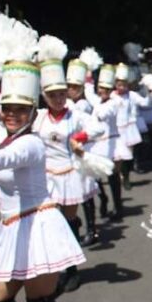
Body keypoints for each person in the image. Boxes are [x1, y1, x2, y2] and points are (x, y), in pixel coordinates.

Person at [0, 61, 84, 302]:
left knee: (39, 300)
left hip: (38, 225)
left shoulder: (30, 142)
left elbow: (2, 161)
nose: (12, 113)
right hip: (13, 228)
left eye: (20, 108)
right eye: (7, 108)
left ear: (31, 111)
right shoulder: (3, 137)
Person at [34, 57, 104, 292]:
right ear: (45, 95)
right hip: (46, 176)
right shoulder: (40, 117)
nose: (58, 98)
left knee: (67, 223)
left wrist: (79, 138)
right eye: (53, 94)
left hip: (69, 175)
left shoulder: (74, 114)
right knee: (51, 225)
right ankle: (57, 271)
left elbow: (97, 127)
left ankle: (72, 270)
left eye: (62, 93)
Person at [66, 58, 102, 245]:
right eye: (69, 86)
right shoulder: (68, 105)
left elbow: (89, 129)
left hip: (81, 152)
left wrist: (77, 139)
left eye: (74, 86)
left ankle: (91, 229)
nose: (70, 89)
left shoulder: (82, 106)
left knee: (86, 193)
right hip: (68, 155)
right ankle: (78, 224)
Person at [85, 64, 127, 221]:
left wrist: (98, 108)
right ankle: (103, 200)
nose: (101, 90)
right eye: (100, 87)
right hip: (97, 144)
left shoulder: (114, 102)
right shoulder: (98, 101)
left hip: (112, 143)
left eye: (105, 88)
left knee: (113, 176)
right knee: (96, 176)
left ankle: (118, 207)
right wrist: (88, 76)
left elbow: (105, 114)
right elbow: (89, 93)